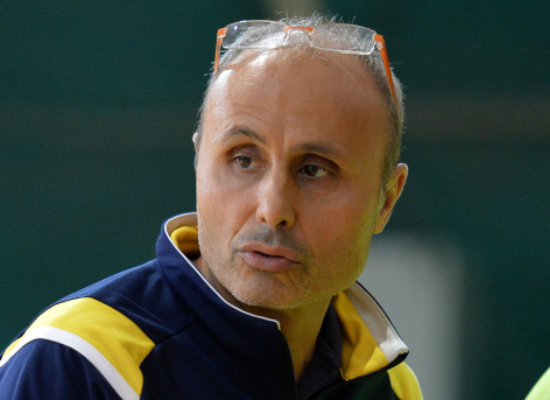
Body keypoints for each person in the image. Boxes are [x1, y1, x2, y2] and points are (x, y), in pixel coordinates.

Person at [0, 14, 423, 400]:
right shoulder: (77, 363)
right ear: (198, 163)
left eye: (314, 170)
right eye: (243, 160)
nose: (272, 209)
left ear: (387, 199)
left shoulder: (393, 388)